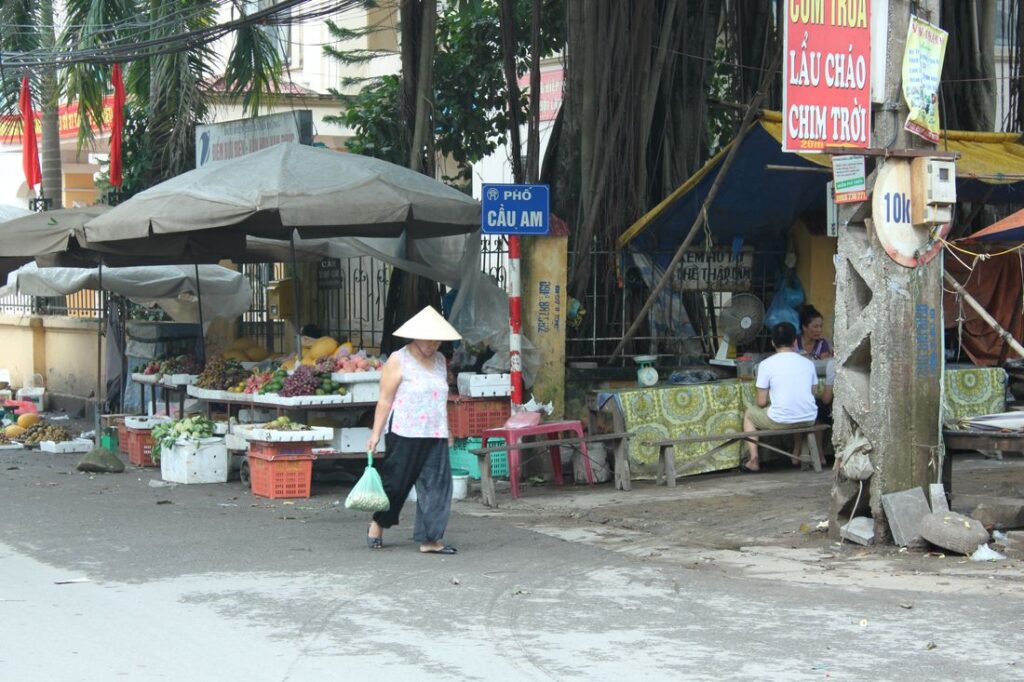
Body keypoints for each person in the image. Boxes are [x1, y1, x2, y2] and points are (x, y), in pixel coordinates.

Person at [366, 305, 460, 555]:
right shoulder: (399, 360)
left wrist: (448, 430)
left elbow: (441, 398)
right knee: (397, 485)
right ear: (415, 336)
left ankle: (430, 539)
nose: (433, 345)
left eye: (437, 340)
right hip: (404, 431)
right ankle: (379, 522)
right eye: (428, 339)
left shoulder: (440, 361)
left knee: (438, 488)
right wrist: (375, 434)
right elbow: (385, 400)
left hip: (435, 432)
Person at [741, 322, 818, 472]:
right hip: (809, 417)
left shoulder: (765, 365)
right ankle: (797, 455)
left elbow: (761, 402)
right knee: (797, 408)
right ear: (795, 342)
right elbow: (812, 394)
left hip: (781, 420)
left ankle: (753, 460)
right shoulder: (809, 363)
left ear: (772, 343)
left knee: (749, 414)